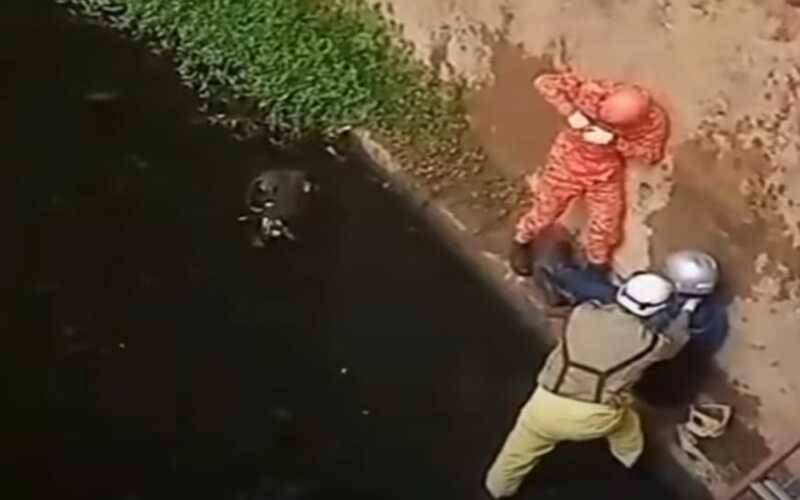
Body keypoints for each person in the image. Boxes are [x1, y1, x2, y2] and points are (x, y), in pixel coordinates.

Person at [484, 272, 697, 499]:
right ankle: (628, 461)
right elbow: (676, 340)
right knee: (627, 423)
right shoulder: (650, 342)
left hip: (544, 406)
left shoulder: (582, 313)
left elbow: (594, 306)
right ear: (656, 310)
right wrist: (689, 308)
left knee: (516, 452)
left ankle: (495, 489)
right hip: (593, 419)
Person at [510, 70, 670, 278]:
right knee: (545, 210)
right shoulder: (595, 91)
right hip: (567, 161)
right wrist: (571, 112)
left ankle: (597, 265)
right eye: (602, 111)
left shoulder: (651, 122)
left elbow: (649, 155)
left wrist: (614, 141)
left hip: (605, 174)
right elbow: (545, 82)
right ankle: (522, 240)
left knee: (606, 224)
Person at [537, 246, 728, 352]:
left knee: (608, 294)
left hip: (641, 373)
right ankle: (564, 280)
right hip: (674, 382)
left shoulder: (664, 324)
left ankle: (560, 274)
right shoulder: (712, 318)